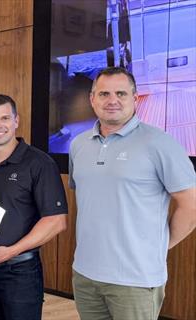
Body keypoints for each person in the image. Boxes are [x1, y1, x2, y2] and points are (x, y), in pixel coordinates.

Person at [69, 67, 196, 319]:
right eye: (104, 94)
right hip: (85, 274)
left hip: (135, 279)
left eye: (121, 93)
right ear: (92, 99)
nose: (112, 100)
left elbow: (190, 205)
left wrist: (159, 246)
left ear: (135, 98)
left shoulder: (160, 143)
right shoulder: (78, 144)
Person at [0, 94, 68, 320]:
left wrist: (12, 251)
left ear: (16, 121)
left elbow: (56, 221)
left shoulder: (39, 163)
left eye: (5, 118)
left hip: (20, 272)